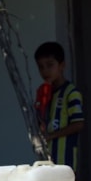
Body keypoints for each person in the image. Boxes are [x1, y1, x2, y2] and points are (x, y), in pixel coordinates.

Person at [33, 41, 85, 173]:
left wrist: (51, 136)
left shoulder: (71, 92)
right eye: (41, 67)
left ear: (62, 65)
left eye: (50, 65)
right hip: (46, 159)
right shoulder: (43, 93)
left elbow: (78, 124)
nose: (45, 71)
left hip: (65, 160)